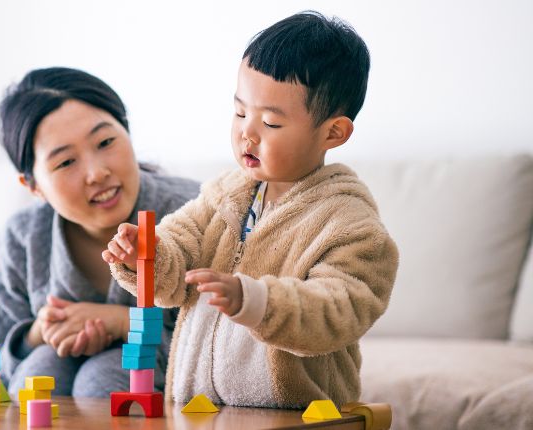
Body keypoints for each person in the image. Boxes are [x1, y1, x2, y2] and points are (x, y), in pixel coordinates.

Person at [104, 11, 399, 408]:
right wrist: (146, 255)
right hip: (199, 408)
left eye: (272, 123)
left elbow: (338, 311)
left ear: (333, 132)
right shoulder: (224, 196)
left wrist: (255, 301)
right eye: (241, 112)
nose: (247, 132)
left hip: (299, 414)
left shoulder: (350, 224)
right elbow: (176, 264)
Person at [0, 67, 200, 397]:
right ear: (33, 185)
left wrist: (123, 322)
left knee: (101, 381)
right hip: (52, 368)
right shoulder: (22, 238)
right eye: (66, 162)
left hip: (172, 374)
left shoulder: (195, 212)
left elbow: (231, 345)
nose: (97, 173)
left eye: (106, 142)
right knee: (40, 373)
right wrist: (40, 332)